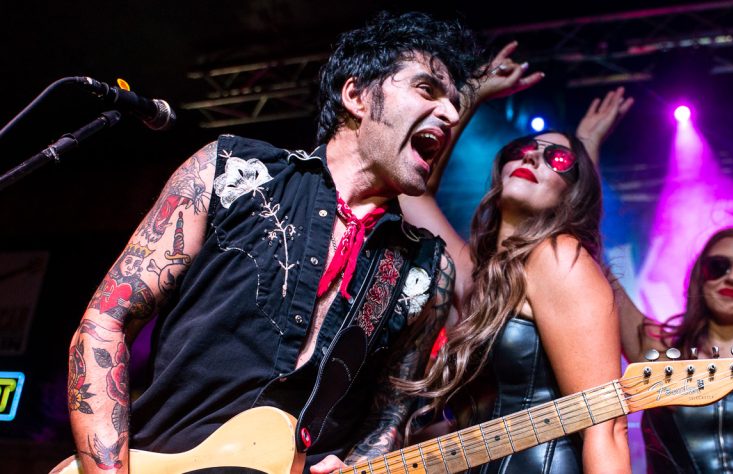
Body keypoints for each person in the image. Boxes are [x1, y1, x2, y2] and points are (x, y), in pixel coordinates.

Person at [61, 12, 489, 474]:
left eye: (455, 104)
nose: (449, 114)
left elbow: (389, 416)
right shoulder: (231, 171)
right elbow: (105, 322)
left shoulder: (426, 266)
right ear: (357, 95)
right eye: (427, 90)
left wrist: (362, 463)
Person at [397, 44, 633, 473]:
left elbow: (607, 426)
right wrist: (471, 94)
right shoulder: (475, 273)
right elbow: (411, 193)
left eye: (557, 158)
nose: (533, 155)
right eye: (523, 147)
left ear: (574, 192)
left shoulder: (560, 258)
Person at [615, 227, 733, 474]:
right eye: (718, 266)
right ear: (700, 275)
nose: (731, 278)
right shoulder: (657, 352)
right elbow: (601, 275)